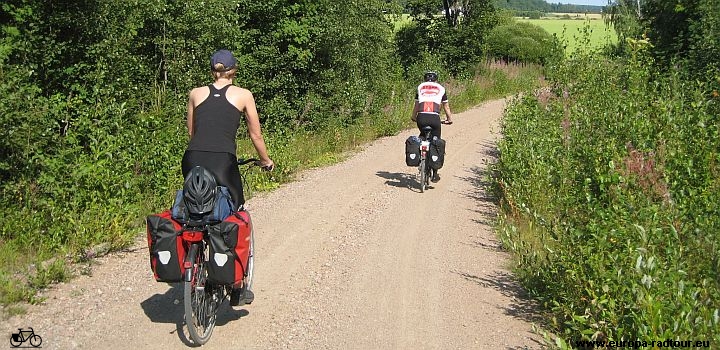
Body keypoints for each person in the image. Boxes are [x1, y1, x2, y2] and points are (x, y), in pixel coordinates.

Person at [182, 49, 274, 306]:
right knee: (235, 213)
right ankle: (237, 287)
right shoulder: (243, 95)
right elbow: (255, 136)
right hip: (223, 161)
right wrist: (265, 161)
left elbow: (192, 132)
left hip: (192, 158)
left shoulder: (195, 93)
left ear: (213, 70)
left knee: (197, 207)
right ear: (234, 71)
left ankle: (195, 251)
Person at [411, 71, 453, 183]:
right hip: (434, 119)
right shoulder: (441, 88)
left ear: (425, 79)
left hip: (421, 118)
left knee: (422, 135)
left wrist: (413, 117)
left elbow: (416, 106)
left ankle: (420, 155)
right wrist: (449, 119)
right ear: (436, 80)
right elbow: (446, 106)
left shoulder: (420, 87)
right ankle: (435, 173)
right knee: (435, 141)